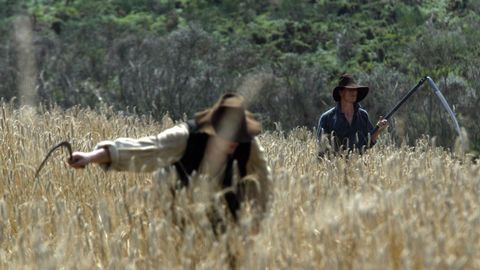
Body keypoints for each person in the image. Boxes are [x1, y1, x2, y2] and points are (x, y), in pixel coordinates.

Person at [68, 93, 271, 223]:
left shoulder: (248, 144)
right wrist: (90, 157)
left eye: (239, 135)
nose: (236, 141)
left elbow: (263, 180)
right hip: (178, 212)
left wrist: (256, 220)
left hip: (227, 214)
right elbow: (144, 150)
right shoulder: (185, 137)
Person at [316, 74, 388, 156]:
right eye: (350, 90)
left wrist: (378, 129)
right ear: (341, 92)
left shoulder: (363, 115)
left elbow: (368, 142)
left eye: (355, 90)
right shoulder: (327, 118)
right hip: (335, 166)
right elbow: (321, 149)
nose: (354, 92)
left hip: (357, 166)